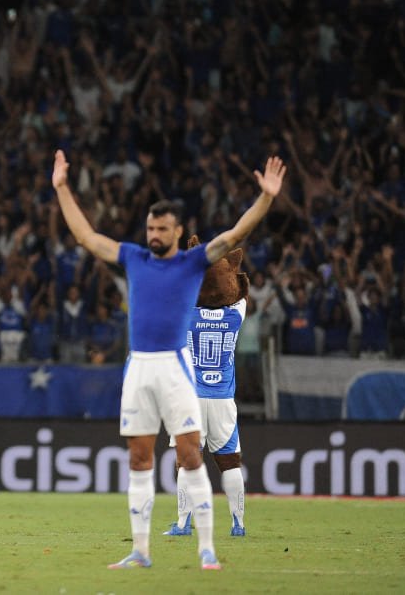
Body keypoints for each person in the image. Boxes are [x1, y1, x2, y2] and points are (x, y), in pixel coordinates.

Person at [51, 150, 285, 571]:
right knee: (139, 460)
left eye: (161, 228)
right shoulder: (134, 258)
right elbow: (87, 237)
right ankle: (140, 551)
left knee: (191, 457)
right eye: (150, 227)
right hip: (140, 367)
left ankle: (207, 549)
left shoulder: (192, 262)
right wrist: (62, 188)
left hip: (179, 370)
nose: (154, 234)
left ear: (176, 230)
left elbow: (233, 237)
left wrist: (266, 198)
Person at [166, 236, 250, 539]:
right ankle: (238, 523)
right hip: (224, 398)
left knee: (187, 463)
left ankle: (183, 523)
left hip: (192, 399)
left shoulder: (188, 314)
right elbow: (240, 292)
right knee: (230, 464)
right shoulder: (235, 315)